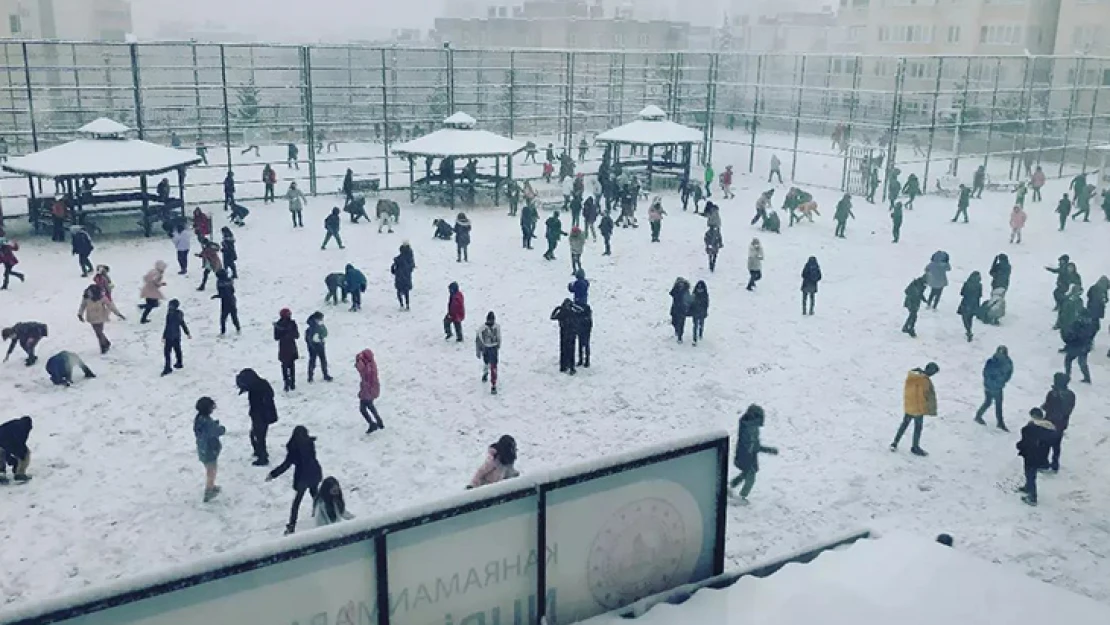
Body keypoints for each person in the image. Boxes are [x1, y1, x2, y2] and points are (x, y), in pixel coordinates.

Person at [267, 426, 323, 535]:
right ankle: (321, 514)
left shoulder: (294, 449)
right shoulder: (310, 444)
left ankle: (292, 525)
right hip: (314, 473)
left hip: (302, 477)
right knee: (315, 495)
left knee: (297, 502)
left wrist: (273, 474)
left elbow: (286, 465)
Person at [728, 404, 778, 503]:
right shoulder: (749, 428)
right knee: (750, 478)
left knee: (745, 474)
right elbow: (752, 445)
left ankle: (730, 486)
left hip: (748, 456)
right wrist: (768, 450)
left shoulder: (750, 427)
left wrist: (767, 449)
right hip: (747, 457)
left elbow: (755, 445)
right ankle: (742, 497)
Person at [891, 362, 939, 456]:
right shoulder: (924, 380)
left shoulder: (912, 376)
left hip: (910, 405)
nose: (933, 374)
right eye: (933, 372)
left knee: (905, 424)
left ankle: (895, 443)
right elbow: (926, 395)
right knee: (917, 427)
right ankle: (915, 447)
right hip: (918, 407)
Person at [236, 368, 278, 466]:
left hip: (261, 416)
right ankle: (259, 452)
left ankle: (262, 457)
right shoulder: (260, 385)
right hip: (262, 416)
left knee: (259, 436)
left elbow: (262, 403)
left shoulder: (258, 389)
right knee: (256, 435)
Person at [1016, 408, 1054, 506]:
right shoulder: (1050, 428)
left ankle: (1032, 497)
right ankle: (1028, 487)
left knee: (1030, 475)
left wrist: (1019, 446)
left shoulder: (1029, 428)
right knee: (1031, 474)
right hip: (1042, 455)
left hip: (1030, 455)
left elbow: (1025, 442)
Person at [1041, 372, 1075, 472]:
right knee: (1056, 444)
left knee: (1045, 443)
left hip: (1051, 422)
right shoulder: (1071, 395)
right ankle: (1055, 463)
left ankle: (1044, 463)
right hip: (1062, 423)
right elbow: (1068, 409)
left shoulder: (1053, 394)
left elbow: (1047, 406)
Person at [194, 396, 225, 502]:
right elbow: (215, 432)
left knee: (209, 469)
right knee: (211, 471)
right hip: (209, 450)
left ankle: (211, 486)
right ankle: (209, 490)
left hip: (203, 449)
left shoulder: (199, 419)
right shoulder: (207, 422)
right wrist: (221, 429)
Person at [974, 346, 1013, 430]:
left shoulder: (994, 361)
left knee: (988, 402)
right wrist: (999, 382)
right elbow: (987, 373)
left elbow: (1008, 373)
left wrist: (1001, 381)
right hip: (994, 387)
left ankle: (979, 416)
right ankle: (1000, 423)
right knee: (996, 404)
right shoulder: (1002, 361)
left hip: (993, 386)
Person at [77, 284, 124, 354]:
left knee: (99, 333)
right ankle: (106, 343)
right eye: (89, 292)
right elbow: (82, 306)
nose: (90, 294)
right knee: (99, 333)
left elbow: (110, 306)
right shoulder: (86, 298)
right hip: (91, 318)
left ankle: (103, 347)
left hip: (100, 317)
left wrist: (118, 314)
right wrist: (80, 314)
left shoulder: (102, 297)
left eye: (91, 293)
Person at [1062, 309, 1096, 383]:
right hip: (1083, 347)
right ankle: (1087, 378)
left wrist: (1070, 336)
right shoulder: (1090, 325)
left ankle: (1067, 375)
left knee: (1069, 360)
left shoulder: (1079, 325)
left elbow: (1076, 335)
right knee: (1081, 363)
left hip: (1077, 346)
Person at [355, 348, 384, 432]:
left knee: (363, 408)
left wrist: (362, 393)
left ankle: (372, 424)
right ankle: (379, 421)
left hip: (368, 390)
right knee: (370, 405)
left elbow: (360, 369)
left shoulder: (367, 368)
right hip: (373, 389)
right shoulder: (371, 364)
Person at [161, 299, 191, 376]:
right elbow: (182, 323)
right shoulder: (179, 313)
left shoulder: (170, 314)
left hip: (170, 336)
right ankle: (179, 363)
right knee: (177, 349)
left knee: (167, 352)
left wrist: (164, 336)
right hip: (177, 335)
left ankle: (167, 368)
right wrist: (187, 333)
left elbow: (168, 326)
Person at [0, 416, 33, 484]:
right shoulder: (22, 429)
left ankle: (1, 473)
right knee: (26, 453)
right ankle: (20, 474)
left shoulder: (13, 424)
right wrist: (18, 460)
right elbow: (18, 444)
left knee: (2, 452)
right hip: (7, 441)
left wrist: (12, 460)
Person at [274, 309, 300, 392]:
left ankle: (292, 382)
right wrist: (284, 333)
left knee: (291, 365)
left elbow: (297, 335)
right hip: (284, 347)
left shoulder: (292, 323)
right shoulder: (278, 325)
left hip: (290, 346)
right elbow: (276, 337)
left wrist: (288, 333)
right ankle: (286, 382)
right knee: (285, 366)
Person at [551, 299, 579, 375]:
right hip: (571, 334)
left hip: (564, 334)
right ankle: (571, 367)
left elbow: (552, 317)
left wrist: (557, 308)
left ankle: (563, 366)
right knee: (570, 351)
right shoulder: (572, 312)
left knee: (564, 351)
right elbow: (580, 312)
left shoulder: (562, 312)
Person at [476, 312, 501, 394]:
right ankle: (486, 372)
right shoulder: (482, 329)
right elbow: (478, 340)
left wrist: (498, 345)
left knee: (493, 366)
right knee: (486, 362)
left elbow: (499, 337)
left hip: (493, 348)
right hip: (486, 347)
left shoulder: (496, 327)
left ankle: (493, 384)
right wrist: (479, 351)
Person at [305, 311, 333, 383]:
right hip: (313, 346)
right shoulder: (311, 327)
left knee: (323, 360)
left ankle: (325, 374)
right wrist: (312, 344)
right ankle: (310, 376)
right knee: (313, 361)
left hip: (320, 344)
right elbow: (308, 338)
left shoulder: (320, 325)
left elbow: (325, 333)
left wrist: (321, 336)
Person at [211, 270, 240, 335]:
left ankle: (223, 332)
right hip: (232, 300)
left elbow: (221, 294)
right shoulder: (230, 280)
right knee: (234, 317)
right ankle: (238, 328)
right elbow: (233, 291)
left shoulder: (219, 283)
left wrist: (215, 296)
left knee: (223, 319)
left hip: (225, 302)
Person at [957, 271, 983, 342]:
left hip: (966, 303)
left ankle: (968, 331)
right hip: (975, 304)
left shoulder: (967, 284)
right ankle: (969, 330)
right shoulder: (979, 285)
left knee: (964, 318)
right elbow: (980, 295)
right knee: (970, 318)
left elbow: (962, 293)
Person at [391, 243, 415, 310]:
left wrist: (394, 265)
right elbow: (411, 266)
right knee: (406, 291)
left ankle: (401, 305)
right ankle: (407, 305)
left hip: (399, 276)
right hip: (406, 276)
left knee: (399, 291)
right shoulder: (410, 258)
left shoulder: (399, 259)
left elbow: (393, 270)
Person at [669, 277, 692, 343]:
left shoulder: (686, 290)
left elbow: (688, 298)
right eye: (679, 283)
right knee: (674, 322)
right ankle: (677, 330)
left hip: (682, 309)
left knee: (681, 323)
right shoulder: (675, 289)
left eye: (682, 283)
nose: (681, 284)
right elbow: (671, 293)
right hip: (675, 308)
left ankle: (680, 336)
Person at [690, 281, 709, 346]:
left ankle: (700, 334)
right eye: (698, 288)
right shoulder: (694, 294)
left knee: (701, 324)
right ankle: (694, 338)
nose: (699, 290)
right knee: (695, 326)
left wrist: (705, 311)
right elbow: (691, 303)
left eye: (701, 288)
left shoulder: (705, 295)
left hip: (701, 313)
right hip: (695, 313)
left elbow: (706, 305)